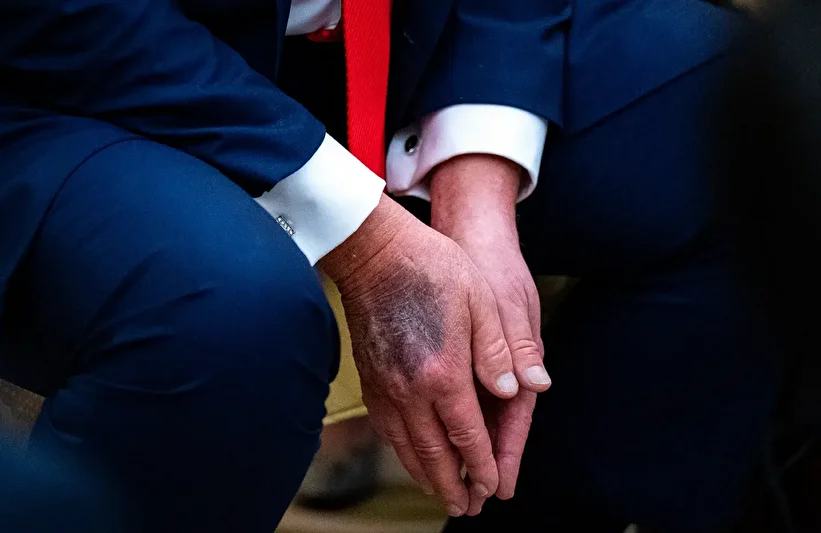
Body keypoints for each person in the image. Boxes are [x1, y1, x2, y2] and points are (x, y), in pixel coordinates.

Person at [0, 1, 554, 530]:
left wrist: (478, 194)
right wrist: (372, 243)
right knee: (232, 313)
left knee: (614, 182)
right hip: (81, 68)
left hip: (399, 37)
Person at [415, 1, 783, 532]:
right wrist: (372, 245)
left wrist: (475, 195)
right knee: (279, 307)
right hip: (286, 120)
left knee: (759, 130)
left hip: (439, 35)